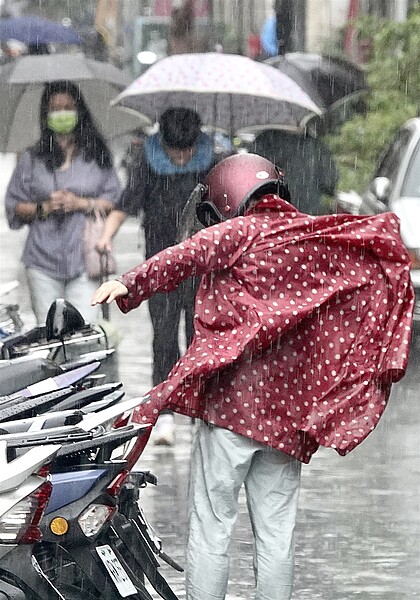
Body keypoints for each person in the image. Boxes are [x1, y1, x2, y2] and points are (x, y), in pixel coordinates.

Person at [91, 153, 413, 600]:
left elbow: (188, 254)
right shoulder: (310, 235)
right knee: (277, 535)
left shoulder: (239, 230)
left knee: (212, 528)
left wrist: (131, 283)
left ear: (226, 196)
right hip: (288, 419)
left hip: (231, 410)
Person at [96, 106, 221, 445]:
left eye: (187, 151)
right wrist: (106, 236)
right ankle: (164, 413)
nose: (181, 159)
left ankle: (200, 409)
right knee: (163, 340)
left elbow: (229, 209)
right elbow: (126, 204)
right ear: (163, 145)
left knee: (202, 340)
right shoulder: (147, 163)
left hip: (203, 269)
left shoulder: (214, 163)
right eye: (175, 151)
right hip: (161, 269)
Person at [5, 80, 121, 325]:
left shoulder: (96, 154)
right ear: (45, 114)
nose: (62, 114)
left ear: (79, 111)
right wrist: (44, 208)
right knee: (50, 333)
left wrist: (82, 203)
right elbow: (14, 206)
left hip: (85, 259)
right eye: (55, 109)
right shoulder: (32, 158)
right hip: (42, 260)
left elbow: (115, 200)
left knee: (82, 330)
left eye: (68, 107)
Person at [253, 128, 339, 215]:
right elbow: (330, 182)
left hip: (270, 213)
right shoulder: (313, 145)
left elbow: (251, 176)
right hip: (308, 211)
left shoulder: (263, 141)